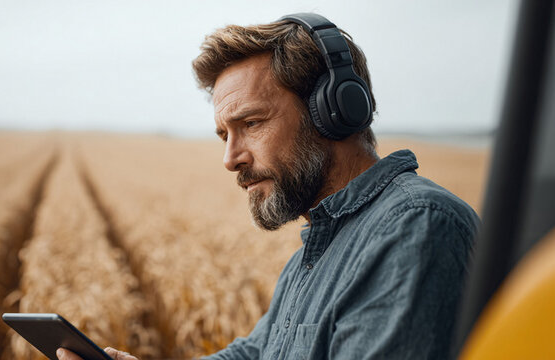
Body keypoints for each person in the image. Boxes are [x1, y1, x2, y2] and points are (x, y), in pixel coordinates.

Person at [58, 13, 479, 360]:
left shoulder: (414, 229)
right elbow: (257, 353)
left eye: (251, 124)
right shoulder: (314, 254)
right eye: (225, 135)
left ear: (332, 111)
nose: (231, 159)